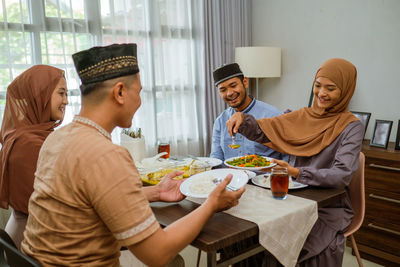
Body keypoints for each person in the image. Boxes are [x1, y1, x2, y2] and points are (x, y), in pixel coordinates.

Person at [21, 43, 245, 267]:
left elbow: (87, 199)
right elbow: (157, 254)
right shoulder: (107, 155)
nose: (139, 101)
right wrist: (211, 204)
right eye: (138, 92)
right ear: (119, 92)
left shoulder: (56, 138)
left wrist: (157, 192)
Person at [226, 58, 364, 266]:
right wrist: (242, 119)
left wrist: (297, 172)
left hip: (326, 205)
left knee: (286, 243)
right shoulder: (302, 116)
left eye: (331, 88)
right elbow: (264, 129)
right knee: (245, 230)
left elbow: (341, 174)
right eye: (318, 86)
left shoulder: (351, 126)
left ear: (345, 90)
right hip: (290, 198)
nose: (321, 93)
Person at [0, 65, 68, 249]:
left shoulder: (25, 136)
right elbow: (59, 201)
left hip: (30, 236)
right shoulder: (29, 144)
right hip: (34, 243)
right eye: (61, 93)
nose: (66, 101)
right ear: (41, 97)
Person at [210, 63, 286, 161]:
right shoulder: (220, 121)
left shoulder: (273, 115)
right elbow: (216, 159)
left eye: (233, 85)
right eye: (223, 90)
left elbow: (287, 157)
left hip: (264, 176)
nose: (229, 93)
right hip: (230, 175)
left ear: (245, 82)